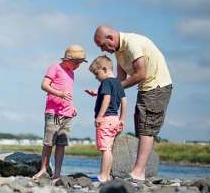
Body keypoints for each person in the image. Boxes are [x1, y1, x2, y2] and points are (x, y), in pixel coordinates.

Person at [93, 25, 172, 180]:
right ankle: (139, 171)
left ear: (110, 38)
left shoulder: (132, 43)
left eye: (102, 45)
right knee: (140, 126)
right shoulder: (119, 52)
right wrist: (103, 90)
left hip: (157, 86)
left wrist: (111, 88)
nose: (103, 50)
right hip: (145, 89)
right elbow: (120, 80)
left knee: (147, 128)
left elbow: (141, 74)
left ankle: (138, 172)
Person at [33, 44, 87, 184]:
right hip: (54, 112)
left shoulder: (72, 73)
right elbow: (44, 85)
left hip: (67, 114)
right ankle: (43, 169)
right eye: (77, 63)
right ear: (68, 59)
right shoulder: (54, 67)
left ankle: (57, 173)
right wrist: (60, 94)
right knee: (49, 142)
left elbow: (68, 92)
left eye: (80, 63)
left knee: (61, 144)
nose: (78, 66)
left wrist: (72, 106)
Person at [86, 55, 127, 182]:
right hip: (115, 119)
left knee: (105, 149)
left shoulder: (106, 82)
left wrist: (99, 116)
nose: (96, 77)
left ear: (104, 69)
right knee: (108, 148)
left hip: (106, 119)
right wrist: (122, 119)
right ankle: (107, 175)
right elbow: (124, 101)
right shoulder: (117, 83)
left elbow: (107, 98)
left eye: (96, 74)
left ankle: (103, 176)